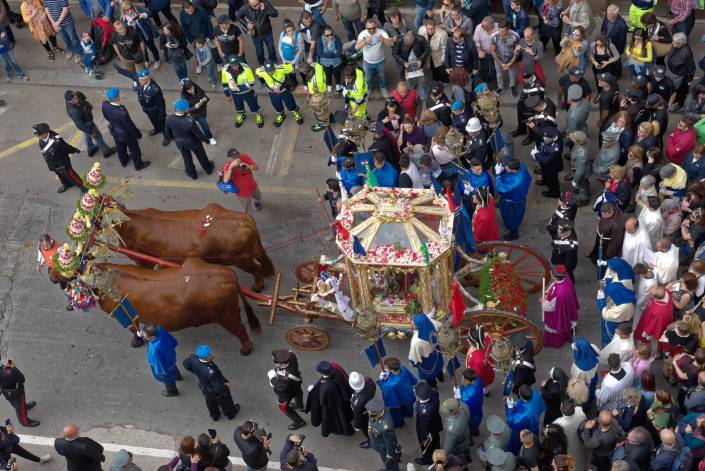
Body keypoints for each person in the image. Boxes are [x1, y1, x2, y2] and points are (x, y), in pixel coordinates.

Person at [112, 68, 170, 147]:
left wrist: (161, 115)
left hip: (155, 109)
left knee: (163, 123)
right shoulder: (141, 81)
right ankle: (157, 129)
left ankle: (167, 136)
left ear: (147, 80)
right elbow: (131, 74)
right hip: (147, 108)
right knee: (153, 121)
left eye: (141, 80)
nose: (138, 82)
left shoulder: (155, 90)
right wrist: (120, 70)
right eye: (139, 80)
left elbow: (161, 104)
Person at [183, 344, 240, 421]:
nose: (212, 354)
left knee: (210, 402)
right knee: (225, 401)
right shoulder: (212, 373)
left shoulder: (193, 358)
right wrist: (225, 385)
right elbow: (219, 388)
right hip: (214, 390)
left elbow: (186, 364)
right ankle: (231, 414)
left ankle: (215, 416)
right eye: (210, 353)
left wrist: (197, 372)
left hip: (204, 386)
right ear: (207, 357)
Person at [101, 87, 150, 171]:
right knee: (134, 149)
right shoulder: (122, 113)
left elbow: (106, 117)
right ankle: (138, 165)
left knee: (120, 147)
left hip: (114, 130)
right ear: (117, 97)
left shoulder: (104, 105)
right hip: (126, 134)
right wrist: (138, 134)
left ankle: (124, 161)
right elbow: (130, 126)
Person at [165, 99, 215, 180]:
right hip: (193, 142)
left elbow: (167, 133)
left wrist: (174, 138)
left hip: (180, 143)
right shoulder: (189, 121)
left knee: (187, 159)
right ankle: (208, 169)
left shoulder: (169, 119)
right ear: (185, 110)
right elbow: (198, 134)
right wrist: (207, 140)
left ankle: (192, 174)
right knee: (202, 156)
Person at [33, 122, 86, 194]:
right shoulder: (42, 138)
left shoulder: (57, 141)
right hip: (53, 163)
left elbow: (66, 148)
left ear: (45, 133)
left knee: (71, 174)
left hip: (62, 162)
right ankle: (67, 184)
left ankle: (83, 188)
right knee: (60, 175)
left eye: (39, 135)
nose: (38, 137)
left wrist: (74, 150)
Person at [305, 360, 354, 437]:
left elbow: (322, 401)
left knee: (335, 420)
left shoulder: (325, 387)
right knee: (343, 418)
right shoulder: (336, 376)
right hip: (340, 403)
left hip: (329, 408)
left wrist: (312, 391)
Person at [64, 91, 116, 158]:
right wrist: (90, 132)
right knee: (98, 137)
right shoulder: (73, 112)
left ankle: (91, 149)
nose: (76, 100)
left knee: (86, 134)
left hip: (87, 118)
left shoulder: (77, 94)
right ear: (69, 101)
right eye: (74, 100)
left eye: (76, 98)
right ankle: (106, 151)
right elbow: (80, 125)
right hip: (87, 123)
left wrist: (88, 105)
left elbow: (84, 100)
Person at [356, 17, 395, 98]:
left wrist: (383, 39)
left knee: (381, 76)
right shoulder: (363, 34)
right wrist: (365, 41)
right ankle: (369, 88)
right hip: (367, 62)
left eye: (373, 28)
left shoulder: (381, 32)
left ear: (376, 25)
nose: (371, 30)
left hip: (380, 61)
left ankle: (382, 87)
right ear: (365, 27)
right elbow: (356, 47)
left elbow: (391, 44)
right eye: (369, 28)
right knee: (368, 77)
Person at [268, 349, 306, 430]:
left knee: (283, 408)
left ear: (281, 364)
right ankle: (300, 407)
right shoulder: (291, 356)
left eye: (275, 361)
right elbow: (290, 352)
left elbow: (280, 387)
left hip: (285, 394)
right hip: (296, 384)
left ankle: (299, 421)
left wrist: (272, 378)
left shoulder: (286, 378)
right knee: (298, 394)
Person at [256, 61, 303, 127]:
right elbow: (257, 74)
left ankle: (296, 112)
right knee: (276, 104)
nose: (270, 73)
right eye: (268, 71)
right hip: (272, 92)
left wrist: (290, 82)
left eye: (272, 70)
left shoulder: (281, 68)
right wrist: (263, 82)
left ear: (274, 67)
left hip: (284, 90)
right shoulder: (260, 71)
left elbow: (293, 68)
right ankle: (281, 115)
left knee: (290, 102)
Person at [542, 265, 579, 348]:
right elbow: (555, 284)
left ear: (553, 275)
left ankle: (555, 341)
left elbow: (550, 307)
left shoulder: (559, 294)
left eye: (551, 272)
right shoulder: (567, 278)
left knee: (557, 325)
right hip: (568, 308)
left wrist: (542, 302)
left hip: (557, 314)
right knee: (567, 322)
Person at [495, 158, 531, 240]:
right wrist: (503, 169)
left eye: (507, 167)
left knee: (511, 218)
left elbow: (501, 188)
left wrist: (498, 174)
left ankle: (514, 234)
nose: (505, 167)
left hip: (512, 202)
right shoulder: (521, 166)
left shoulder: (515, 183)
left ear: (514, 170)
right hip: (517, 195)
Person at [221, 57, 263, 128]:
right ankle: (241, 114)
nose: (235, 67)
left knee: (253, 104)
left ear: (238, 62)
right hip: (234, 93)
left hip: (247, 92)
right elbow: (224, 83)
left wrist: (239, 87)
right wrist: (227, 95)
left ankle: (258, 114)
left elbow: (252, 82)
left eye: (236, 64)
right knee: (238, 104)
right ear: (229, 64)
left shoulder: (246, 68)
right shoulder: (225, 69)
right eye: (233, 65)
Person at [505, 384, 546, 454]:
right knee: (533, 439)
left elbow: (511, 420)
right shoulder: (535, 392)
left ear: (520, 395)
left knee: (516, 441)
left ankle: (514, 452)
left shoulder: (522, 415)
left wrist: (510, 406)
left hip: (523, 428)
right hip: (533, 422)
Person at [0, 357, 40, 428]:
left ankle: (24, 407)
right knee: (19, 406)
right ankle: (25, 422)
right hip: (16, 392)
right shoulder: (5, 373)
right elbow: (21, 378)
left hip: (7, 391)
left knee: (16, 404)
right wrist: (14, 367)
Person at [377, 356, 416, 428]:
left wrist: (381, 379)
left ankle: (399, 423)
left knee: (396, 413)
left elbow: (385, 387)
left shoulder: (391, 384)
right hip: (408, 395)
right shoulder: (402, 367)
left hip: (398, 399)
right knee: (409, 407)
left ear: (391, 370)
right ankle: (410, 414)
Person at [236, 0, 278, 65]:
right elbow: (238, 15)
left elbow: (275, 14)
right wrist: (246, 24)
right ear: (250, 5)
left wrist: (265, 10)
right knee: (259, 51)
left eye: (258, 3)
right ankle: (261, 63)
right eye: (255, 5)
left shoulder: (265, 4)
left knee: (271, 48)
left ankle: (273, 61)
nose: (258, 6)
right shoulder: (245, 8)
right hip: (255, 35)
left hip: (267, 32)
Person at [142, 324, 180, 397]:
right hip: (171, 357)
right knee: (173, 367)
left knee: (168, 379)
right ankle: (178, 376)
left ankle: (172, 391)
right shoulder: (160, 330)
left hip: (165, 367)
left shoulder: (155, 350)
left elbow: (159, 364)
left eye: (145, 336)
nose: (143, 337)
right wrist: (142, 333)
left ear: (152, 337)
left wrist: (162, 372)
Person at [635, 286, 674, 354]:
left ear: (654, 297)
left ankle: (655, 353)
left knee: (654, 341)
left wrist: (646, 333)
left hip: (655, 328)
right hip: (665, 321)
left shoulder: (659, 311)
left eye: (651, 294)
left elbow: (653, 325)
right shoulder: (666, 293)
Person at [408, 313, 444, 387]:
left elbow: (414, 357)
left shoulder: (416, 342)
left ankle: (434, 387)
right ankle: (441, 378)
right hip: (436, 353)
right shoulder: (431, 322)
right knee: (438, 368)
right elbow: (440, 326)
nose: (411, 325)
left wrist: (413, 363)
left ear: (419, 326)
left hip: (426, 361)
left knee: (430, 377)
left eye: (413, 324)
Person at [366, 398, 400, 471]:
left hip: (384, 447)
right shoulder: (378, 408)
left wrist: (390, 454)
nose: (370, 416)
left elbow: (391, 442)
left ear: (379, 412)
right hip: (378, 441)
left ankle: (391, 469)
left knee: (389, 462)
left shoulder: (386, 427)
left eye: (372, 415)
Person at [552, 400, 587, 471]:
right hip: (580, 441)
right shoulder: (580, 411)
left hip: (568, 445)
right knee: (580, 455)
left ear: (561, 409)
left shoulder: (557, 423)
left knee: (570, 460)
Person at [413, 382, 442, 465]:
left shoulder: (422, 410)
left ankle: (428, 460)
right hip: (435, 423)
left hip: (426, 432)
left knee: (427, 446)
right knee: (436, 439)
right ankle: (437, 450)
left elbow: (423, 428)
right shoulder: (434, 395)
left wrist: (422, 438)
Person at [490, 20, 520, 96]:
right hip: (499, 60)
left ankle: (512, 87)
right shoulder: (494, 37)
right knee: (499, 75)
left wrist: (511, 63)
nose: (501, 33)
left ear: (508, 29)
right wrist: (500, 63)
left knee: (512, 75)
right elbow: (493, 51)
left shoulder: (515, 36)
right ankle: (500, 87)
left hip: (511, 59)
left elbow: (517, 51)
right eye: (500, 31)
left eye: (503, 31)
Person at [667, 32, 695, 111]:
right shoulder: (676, 46)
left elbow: (691, 68)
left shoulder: (686, 53)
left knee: (681, 90)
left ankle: (680, 104)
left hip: (679, 75)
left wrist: (689, 80)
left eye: (674, 42)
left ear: (680, 43)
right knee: (672, 87)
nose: (672, 43)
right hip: (672, 71)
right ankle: (673, 99)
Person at [440, 398, 471, 465]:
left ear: (451, 412)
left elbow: (448, 446)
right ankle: (468, 458)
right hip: (467, 434)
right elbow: (468, 416)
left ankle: (463, 466)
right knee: (467, 449)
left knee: (461, 457)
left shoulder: (452, 430)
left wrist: (442, 456)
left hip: (459, 445)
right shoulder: (464, 406)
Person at [348, 372, 376, 448]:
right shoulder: (369, 381)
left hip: (365, 415)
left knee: (367, 430)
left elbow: (357, 415)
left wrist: (356, 426)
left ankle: (371, 442)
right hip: (373, 406)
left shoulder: (357, 402)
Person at [465, 325, 494, 395]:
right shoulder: (487, 339)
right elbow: (487, 335)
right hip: (488, 368)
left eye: (469, 340)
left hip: (481, 375)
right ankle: (486, 391)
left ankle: (485, 392)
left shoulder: (478, 359)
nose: (467, 340)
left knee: (482, 383)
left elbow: (476, 374)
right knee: (486, 383)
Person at [535, 126, 563, 198]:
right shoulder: (550, 133)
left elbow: (546, 160)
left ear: (553, 138)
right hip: (546, 165)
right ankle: (545, 181)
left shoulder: (555, 149)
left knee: (552, 181)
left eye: (546, 138)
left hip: (552, 167)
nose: (544, 139)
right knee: (545, 174)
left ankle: (554, 193)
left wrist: (536, 155)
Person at [418, 18, 448, 84]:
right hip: (428, 55)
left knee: (441, 70)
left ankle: (445, 81)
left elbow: (445, 48)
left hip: (438, 55)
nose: (430, 31)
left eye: (432, 29)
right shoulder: (421, 30)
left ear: (435, 27)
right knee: (433, 68)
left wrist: (443, 59)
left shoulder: (442, 34)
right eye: (428, 29)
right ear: (425, 27)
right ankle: (436, 80)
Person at [474, 16, 498, 86]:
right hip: (483, 52)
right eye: (482, 25)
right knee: (484, 68)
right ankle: (486, 82)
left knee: (494, 68)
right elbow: (477, 41)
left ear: (492, 25)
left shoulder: (497, 27)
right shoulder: (479, 27)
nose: (482, 27)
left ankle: (494, 82)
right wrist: (479, 51)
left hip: (495, 52)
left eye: (485, 26)